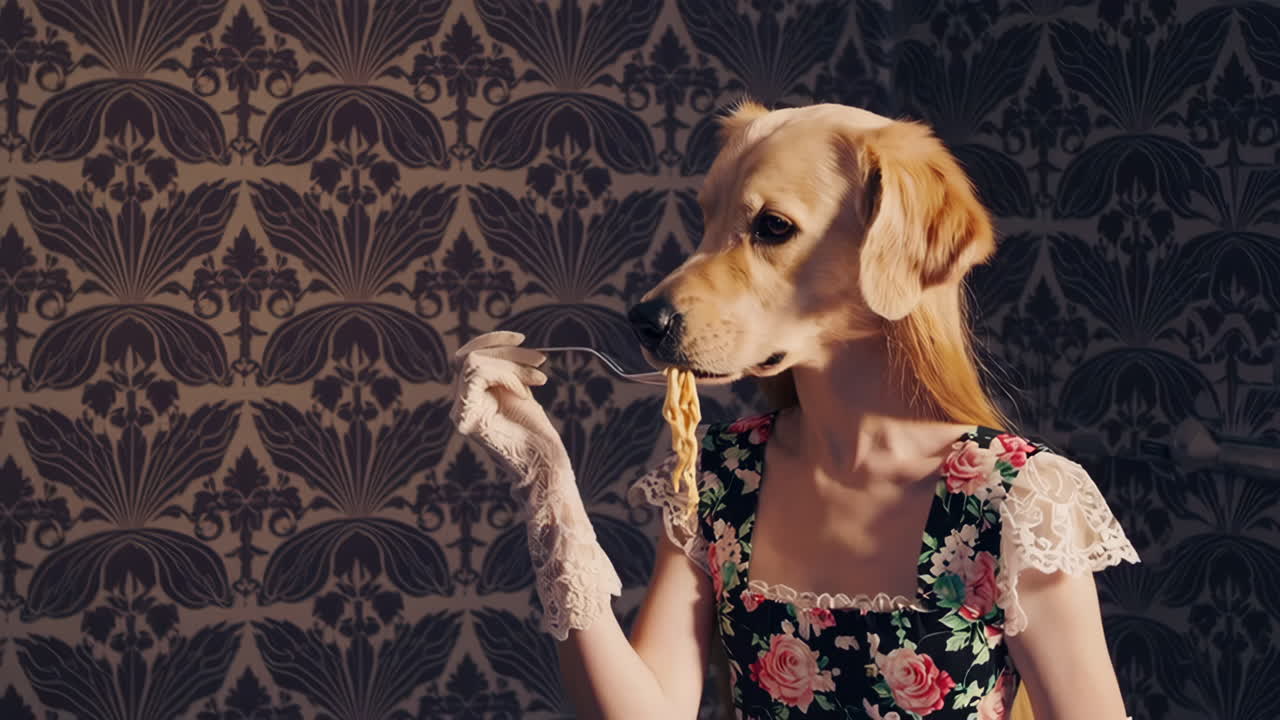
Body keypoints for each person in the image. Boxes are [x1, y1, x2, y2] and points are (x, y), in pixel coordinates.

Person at [449, 102, 1139, 720]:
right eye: (714, 220)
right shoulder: (719, 479)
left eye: (772, 227)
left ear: (895, 250)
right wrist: (547, 483)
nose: (675, 291)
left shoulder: (1018, 499)